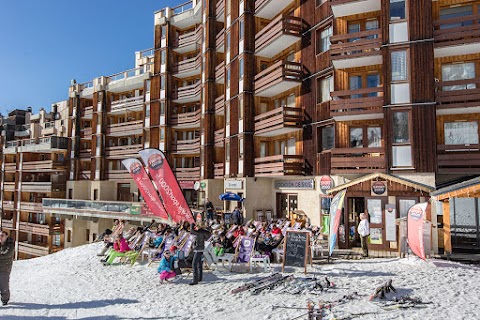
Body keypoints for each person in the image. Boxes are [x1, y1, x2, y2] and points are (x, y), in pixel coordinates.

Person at [0, 231, 14, 306]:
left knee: (3, 285)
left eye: (2, 236)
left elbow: (7, 254)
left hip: (5, 268)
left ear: (6, 236)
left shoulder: (10, 245)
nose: (0, 237)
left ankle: (5, 300)